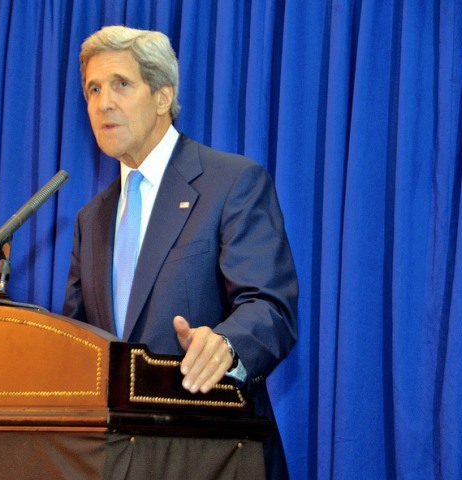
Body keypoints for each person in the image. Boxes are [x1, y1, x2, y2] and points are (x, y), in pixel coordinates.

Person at [63, 25, 298, 479]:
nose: (102, 103)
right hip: (114, 461)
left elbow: (271, 306)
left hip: (209, 451)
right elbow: (80, 342)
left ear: (162, 97)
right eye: (93, 89)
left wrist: (227, 345)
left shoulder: (231, 182)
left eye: (121, 84)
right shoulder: (90, 219)